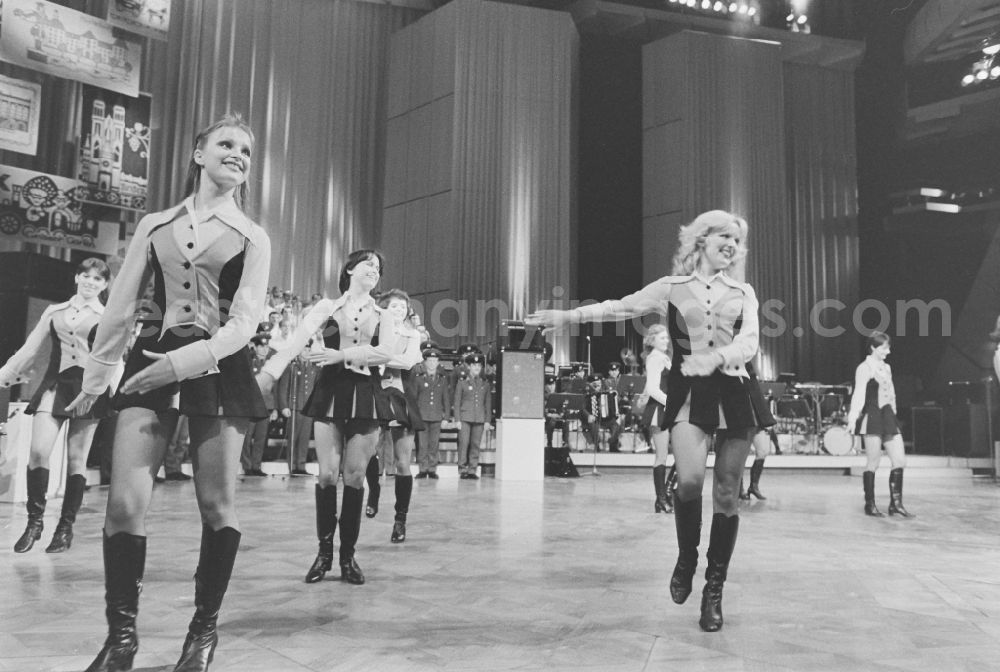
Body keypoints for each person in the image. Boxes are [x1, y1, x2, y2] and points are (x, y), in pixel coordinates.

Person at [68, 113, 271, 672]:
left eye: (246, 151)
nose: (237, 155)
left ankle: (202, 635)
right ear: (199, 153)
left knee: (216, 505)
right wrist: (94, 380)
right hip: (145, 366)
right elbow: (121, 306)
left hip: (219, 369)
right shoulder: (156, 224)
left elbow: (244, 324)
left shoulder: (255, 237)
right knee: (124, 505)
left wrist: (181, 364)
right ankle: (121, 640)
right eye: (226, 144)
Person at [528, 210, 771, 633]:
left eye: (737, 239)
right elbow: (620, 308)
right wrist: (567, 317)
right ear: (701, 240)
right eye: (724, 236)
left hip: (734, 392)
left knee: (728, 495)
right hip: (690, 393)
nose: (732, 244)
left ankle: (714, 589)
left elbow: (749, 343)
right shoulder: (671, 289)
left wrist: (717, 356)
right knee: (691, 480)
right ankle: (686, 557)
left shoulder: (743, 291)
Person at [257, 249, 398, 586]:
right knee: (326, 476)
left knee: (353, 477)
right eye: (368, 263)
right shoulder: (326, 308)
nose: (374, 270)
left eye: (379, 267)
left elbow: (386, 352)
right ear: (350, 269)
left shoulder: (384, 315)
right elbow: (294, 344)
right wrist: (267, 375)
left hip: (365, 394)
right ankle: (323, 553)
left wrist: (341, 354)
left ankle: (348, 556)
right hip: (330, 393)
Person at [0, 257, 112, 554]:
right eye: (85, 276)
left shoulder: (107, 316)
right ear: (77, 278)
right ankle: (34, 523)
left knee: (77, 459)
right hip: (55, 384)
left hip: (90, 390)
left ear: (105, 285)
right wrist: (4, 376)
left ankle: (64, 528)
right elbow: (29, 349)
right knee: (38, 451)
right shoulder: (54, 311)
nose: (90, 282)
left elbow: (114, 360)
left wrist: (116, 390)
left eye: (97, 279)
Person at [371, 289, 424, 541]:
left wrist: (380, 356)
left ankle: (400, 519)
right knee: (368, 450)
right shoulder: (372, 330)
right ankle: (373, 493)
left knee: (403, 462)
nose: (400, 310)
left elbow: (407, 362)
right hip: (373, 393)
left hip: (400, 396)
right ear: (383, 309)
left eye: (403, 307)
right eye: (394, 306)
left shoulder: (412, 334)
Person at [846, 330, 911, 518]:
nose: (887, 351)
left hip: (888, 415)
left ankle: (896, 504)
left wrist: (894, 412)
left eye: (888, 348)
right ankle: (870, 504)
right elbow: (858, 394)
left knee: (900, 460)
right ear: (873, 347)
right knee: (873, 461)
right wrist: (852, 418)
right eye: (884, 348)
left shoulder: (887, 367)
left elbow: (892, 392)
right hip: (872, 416)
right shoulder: (864, 368)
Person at [639, 324, 676, 514]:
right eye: (662, 338)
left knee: (680, 455)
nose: (666, 341)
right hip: (659, 410)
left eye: (667, 338)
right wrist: (672, 403)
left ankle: (667, 493)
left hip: (665, 408)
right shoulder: (655, 358)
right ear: (652, 340)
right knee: (661, 456)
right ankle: (661, 499)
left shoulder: (661, 357)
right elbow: (653, 389)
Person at [275, 344, 321, 476]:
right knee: (293, 438)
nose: (306, 352)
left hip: (308, 409)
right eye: (304, 349)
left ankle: (301, 465)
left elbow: (316, 389)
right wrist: (284, 406)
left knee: (304, 439)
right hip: (294, 408)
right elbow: (283, 387)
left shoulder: (314, 368)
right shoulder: (292, 367)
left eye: (308, 349)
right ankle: (292, 465)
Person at [241, 333, 277, 477]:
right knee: (247, 437)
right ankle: (247, 466)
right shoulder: (248, 362)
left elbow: (274, 387)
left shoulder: (270, 364)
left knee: (261, 438)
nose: (264, 349)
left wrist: (274, 408)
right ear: (254, 347)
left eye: (266, 346)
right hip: (250, 406)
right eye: (261, 346)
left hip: (266, 406)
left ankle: (256, 466)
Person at [452, 352, 492, 479]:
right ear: (469, 366)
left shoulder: (485, 383)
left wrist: (487, 420)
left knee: (475, 444)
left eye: (479, 366)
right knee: (464, 444)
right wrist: (457, 419)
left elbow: (488, 404)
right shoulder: (462, 382)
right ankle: (463, 469)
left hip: (479, 418)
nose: (477, 368)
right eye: (474, 365)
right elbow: (457, 402)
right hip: (465, 418)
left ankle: (472, 470)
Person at [414, 347, 451, 479]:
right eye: (429, 360)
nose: (432, 363)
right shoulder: (418, 378)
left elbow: (446, 399)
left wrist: (446, 417)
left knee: (434, 444)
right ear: (425, 362)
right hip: (422, 416)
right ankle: (423, 469)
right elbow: (414, 398)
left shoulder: (442, 379)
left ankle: (432, 468)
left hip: (436, 416)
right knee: (423, 444)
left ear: (438, 362)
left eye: (434, 360)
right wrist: (414, 416)